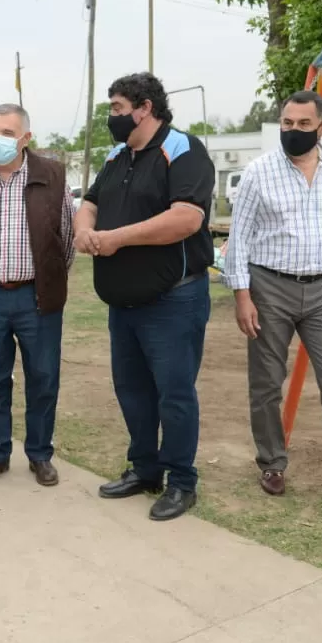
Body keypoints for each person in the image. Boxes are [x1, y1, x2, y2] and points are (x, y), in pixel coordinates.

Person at [225, 90, 322, 512]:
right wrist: (242, 296)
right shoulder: (259, 172)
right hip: (269, 289)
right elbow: (239, 239)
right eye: (287, 124)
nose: (293, 131)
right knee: (266, 383)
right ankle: (272, 464)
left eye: (303, 125)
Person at [75, 73, 215, 521]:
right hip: (124, 302)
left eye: (117, 108)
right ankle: (145, 469)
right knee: (132, 391)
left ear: (145, 108)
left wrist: (117, 238)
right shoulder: (118, 155)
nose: (112, 117)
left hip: (173, 300)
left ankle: (181, 481)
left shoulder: (184, 151)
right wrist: (84, 229)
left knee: (174, 394)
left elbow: (186, 219)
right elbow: (90, 201)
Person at [0, 103, 74, 488]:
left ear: (26, 138)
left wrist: (48, 280)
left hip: (36, 298)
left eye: (7, 133)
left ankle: (40, 455)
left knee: (43, 378)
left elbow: (66, 238)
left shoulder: (52, 174)